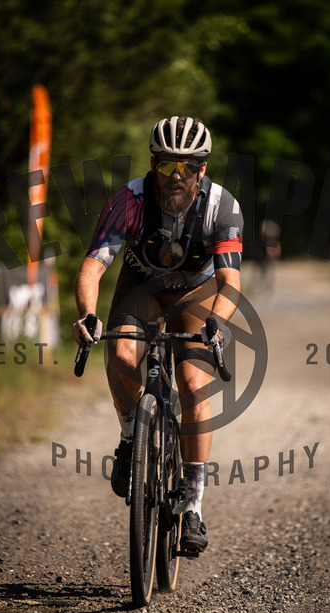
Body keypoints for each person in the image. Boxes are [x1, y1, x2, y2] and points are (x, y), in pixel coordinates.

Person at [72, 116, 243, 553]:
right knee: (122, 355)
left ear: (202, 169)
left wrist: (217, 322)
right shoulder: (128, 201)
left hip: (196, 291)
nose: (177, 176)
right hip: (142, 286)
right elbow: (92, 266)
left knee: (193, 384)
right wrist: (88, 314)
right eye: (168, 165)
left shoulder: (222, 207)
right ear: (153, 165)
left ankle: (194, 507)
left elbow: (230, 282)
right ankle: (131, 436)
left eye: (188, 167)